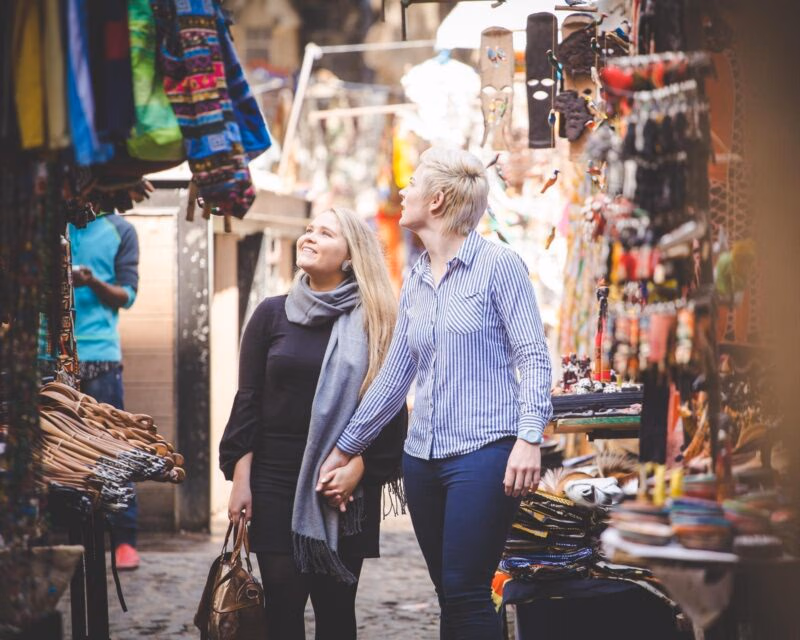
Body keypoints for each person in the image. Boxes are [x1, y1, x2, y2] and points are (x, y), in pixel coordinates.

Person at [318, 147, 553, 640]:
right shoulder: (419, 276)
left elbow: (532, 357)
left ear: (439, 199)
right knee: (450, 593)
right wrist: (344, 448)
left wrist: (530, 437)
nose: (403, 190)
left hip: (485, 453)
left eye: (414, 182)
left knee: (466, 590)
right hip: (421, 459)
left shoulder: (499, 266)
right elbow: (395, 375)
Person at [219, 207, 407, 640]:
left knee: (337, 611)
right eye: (308, 230)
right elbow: (248, 402)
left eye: (324, 232)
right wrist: (241, 481)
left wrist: (359, 468)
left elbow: (390, 407)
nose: (309, 237)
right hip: (275, 479)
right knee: (283, 609)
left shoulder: (376, 320)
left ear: (350, 254)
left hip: (345, 487)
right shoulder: (271, 314)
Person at [70, 210, 141, 570]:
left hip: (100, 355)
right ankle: (65, 539)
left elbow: (126, 296)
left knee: (113, 448)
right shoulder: (44, 222)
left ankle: (124, 539)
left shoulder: (121, 229)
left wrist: (92, 282)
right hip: (46, 353)